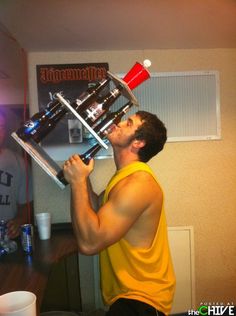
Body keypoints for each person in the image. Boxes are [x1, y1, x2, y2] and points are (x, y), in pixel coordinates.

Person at [63, 110, 176, 316]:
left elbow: (89, 244)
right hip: (129, 295)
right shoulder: (125, 177)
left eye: (128, 123)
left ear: (138, 142)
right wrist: (83, 175)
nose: (120, 123)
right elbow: (98, 208)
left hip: (142, 299)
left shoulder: (138, 184)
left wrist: (77, 182)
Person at [0, 109, 33, 239]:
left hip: (8, 241)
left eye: (1, 127)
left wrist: (19, 221)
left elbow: (26, 204)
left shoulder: (19, 163)